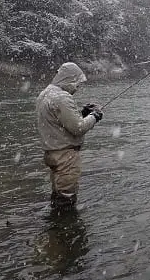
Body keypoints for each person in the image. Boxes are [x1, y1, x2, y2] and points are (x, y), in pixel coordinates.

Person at [35, 62, 103, 208]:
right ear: (70, 79)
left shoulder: (45, 94)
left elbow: (59, 122)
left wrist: (83, 114)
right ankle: (65, 227)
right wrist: (95, 116)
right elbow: (78, 128)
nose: (77, 88)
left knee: (57, 194)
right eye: (77, 84)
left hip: (52, 153)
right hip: (66, 156)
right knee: (66, 199)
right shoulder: (62, 97)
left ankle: (55, 224)